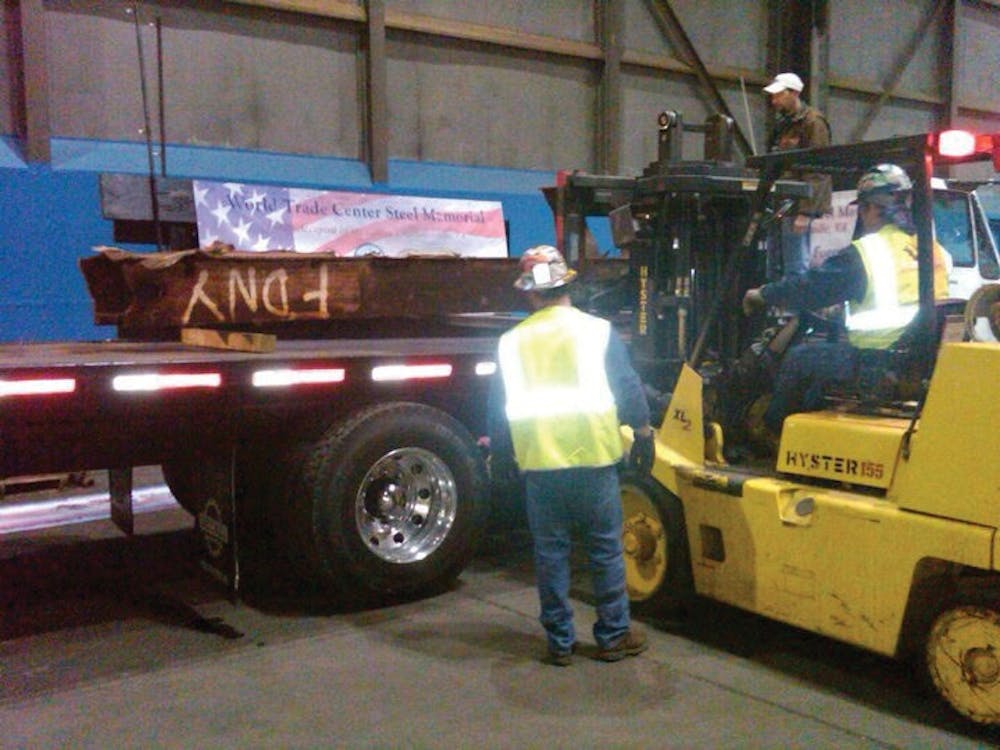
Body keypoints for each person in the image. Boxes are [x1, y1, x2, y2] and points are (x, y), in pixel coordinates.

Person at [487, 245, 654, 666]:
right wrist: (643, 432)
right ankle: (613, 636)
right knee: (605, 550)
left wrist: (501, 455)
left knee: (551, 554)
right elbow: (627, 385)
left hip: (541, 465)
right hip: (594, 459)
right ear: (567, 285)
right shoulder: (597, 331)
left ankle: (560, 642)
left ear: (529, 292)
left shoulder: (511, 342)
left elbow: (498, 406)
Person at [742, 163, 952, 440]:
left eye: (861, 209)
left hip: (879, 363)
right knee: (820, 370)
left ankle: (772, 434)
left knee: (799, 359)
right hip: (921, 361)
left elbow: (809, 287)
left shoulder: (868, 252)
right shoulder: (933, 250)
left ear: (869, 208)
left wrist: (763, 295)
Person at [764, 72, 833, 279]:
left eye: (778, 95)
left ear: (794, 93)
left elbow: (818, 169)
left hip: (797, 204)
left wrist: (806, 213)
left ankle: (797, 299)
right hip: (781, 201)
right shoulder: (784, 125)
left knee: (796, 264)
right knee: (775, 262)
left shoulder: (814, 123)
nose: (774, 100)